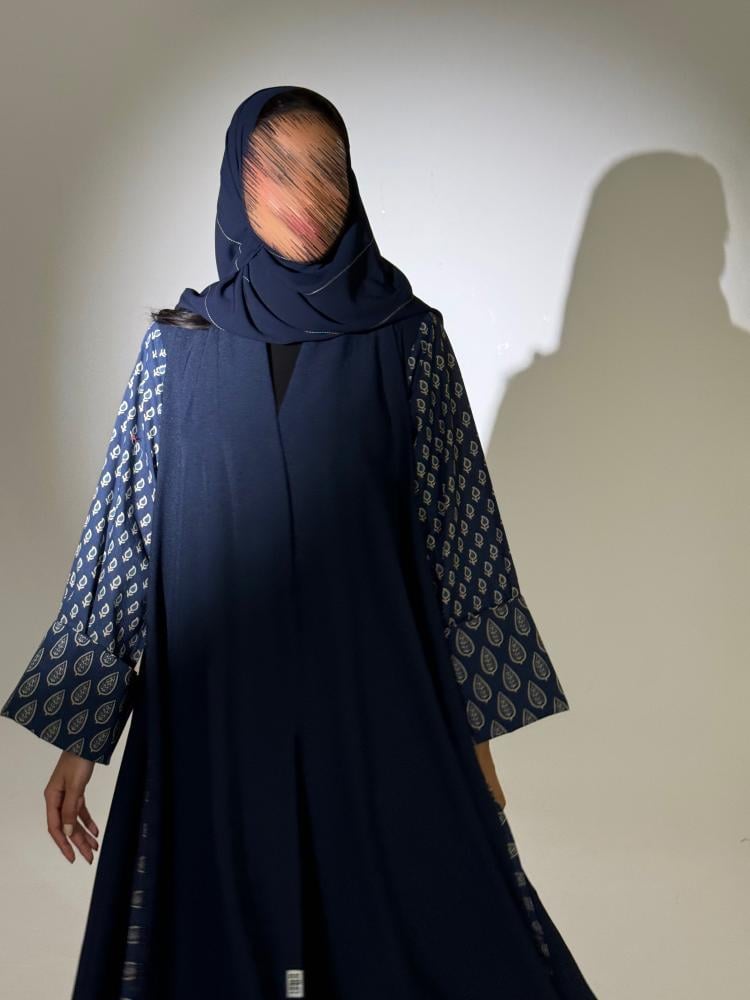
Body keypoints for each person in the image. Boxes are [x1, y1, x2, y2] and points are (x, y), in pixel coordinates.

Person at [1, 85, 596, 999]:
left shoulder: (407, 342)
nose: (308, 193)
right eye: (278, 169)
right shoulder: (180, 349)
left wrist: (473, 732)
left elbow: (460, 535)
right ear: (235, 184)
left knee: (422, 937)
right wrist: (80, 736)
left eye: (327, 170)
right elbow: (123, 538)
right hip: (214, 709)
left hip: (375, 702)